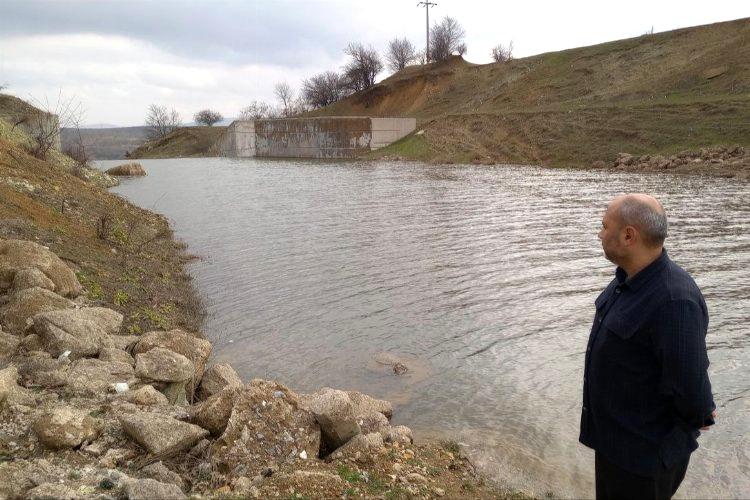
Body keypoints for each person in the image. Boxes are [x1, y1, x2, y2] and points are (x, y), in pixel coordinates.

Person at [579, 194, 716, 500]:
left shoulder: (674, 300)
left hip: (644, 460)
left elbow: (691, 391)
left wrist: (698, 413)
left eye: (603, 226)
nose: (599, 234)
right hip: (616, 447)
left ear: (629, 235)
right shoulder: (626, 280)